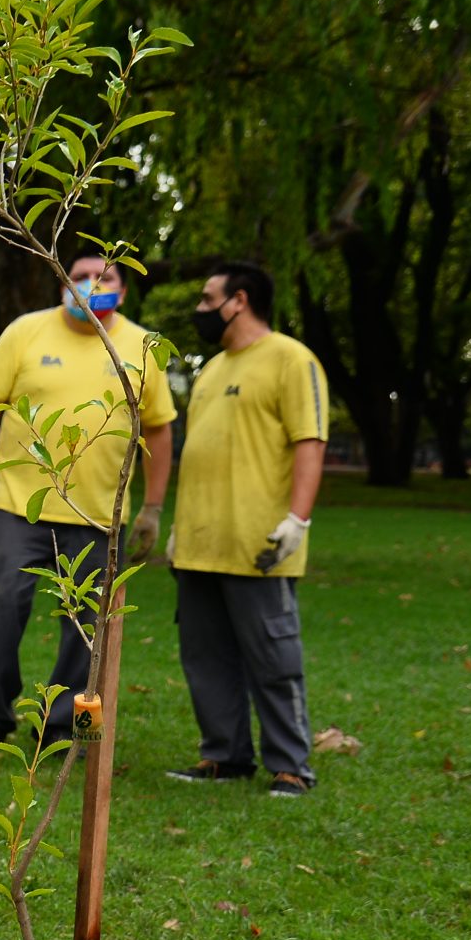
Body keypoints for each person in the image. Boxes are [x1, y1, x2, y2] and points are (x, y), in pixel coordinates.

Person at [0, 254, 175, 754]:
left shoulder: (141, 347)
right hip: (19, 509)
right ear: (63, 281)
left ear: (123, 289)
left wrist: (153, 509)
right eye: (78, 275)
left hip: (100, 517)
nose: (89, 284)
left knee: (89, 634)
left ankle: (68, 729)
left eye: (105, 276)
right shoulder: (25, 332)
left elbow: (159, 432)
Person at [162, 260, 327, 798]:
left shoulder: (290, 358)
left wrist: (297, 521)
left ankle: (291, 766)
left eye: (208, 299)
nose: (201, 309)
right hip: (200, 544)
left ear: (240, 300)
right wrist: (177, 530)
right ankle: (224, 755)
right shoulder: (211, 370)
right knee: (205, 659)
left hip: (259, 543)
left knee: (274, 659)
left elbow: (310, 442)